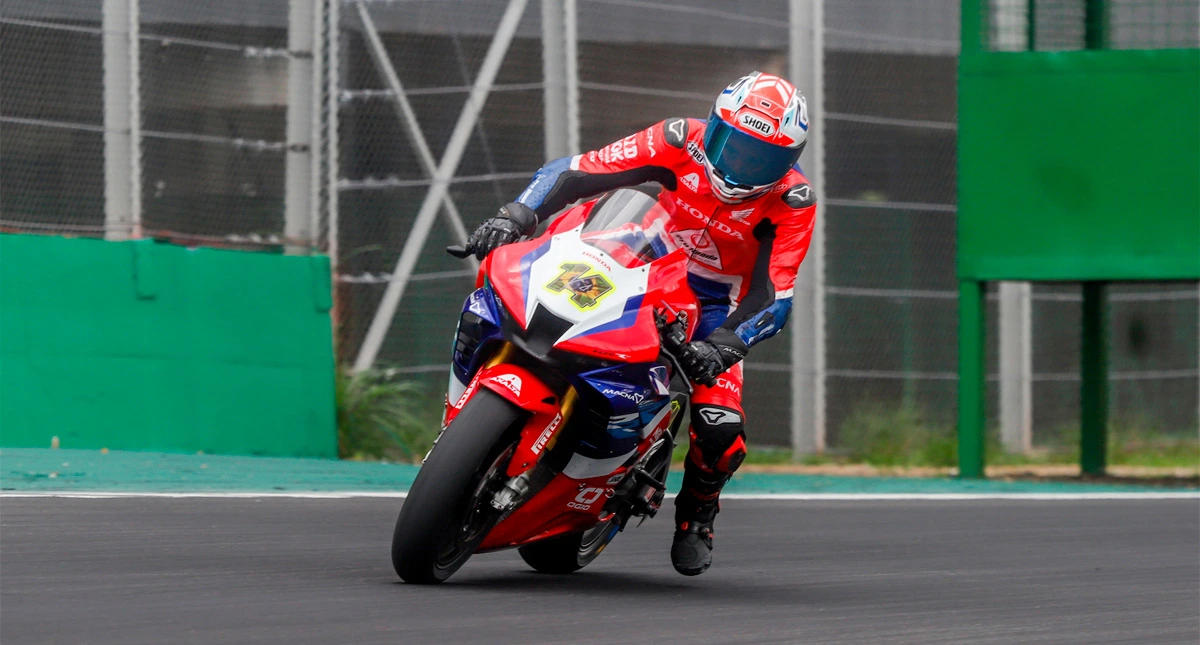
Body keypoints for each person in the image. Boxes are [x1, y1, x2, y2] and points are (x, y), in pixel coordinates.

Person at [465, 71, 817, 576]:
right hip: (635, 255)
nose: (740, 165)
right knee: (513, 296)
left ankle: (697, 516)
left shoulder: (793, 202)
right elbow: (575, 172)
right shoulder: (678, 138)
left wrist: (724, 345)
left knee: (722, 429)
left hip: (715, 303)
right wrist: (516, 213)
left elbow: (775, 294)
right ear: (714, 126)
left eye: (761, 157)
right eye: (733, 145)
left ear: (788, 161)